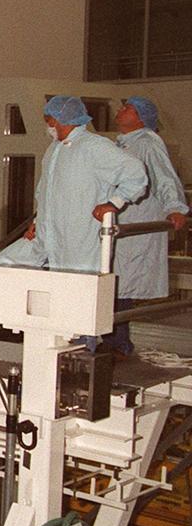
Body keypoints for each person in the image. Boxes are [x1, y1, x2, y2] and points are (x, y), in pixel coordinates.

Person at [20, 95, 147, 273]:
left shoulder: (93, 146)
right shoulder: (54, 149)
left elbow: (135, 173)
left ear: (57, 119)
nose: (48, 125)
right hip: (52, 237)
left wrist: (114, 203)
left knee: (81, 284)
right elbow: (45, 192)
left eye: (48, 120)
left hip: (82, 240)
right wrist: (38, 221)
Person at [107, 97, 188, 355]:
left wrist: (175, 207)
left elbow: (165, 177)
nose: (120, 111)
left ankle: (119, 344)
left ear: (141, 118)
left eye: (127, 108)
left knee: (121, 287)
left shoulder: (148, 143)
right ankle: (113, 341)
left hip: (133, 225)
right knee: (114, 285)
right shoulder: (123, 143)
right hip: (119, 224)